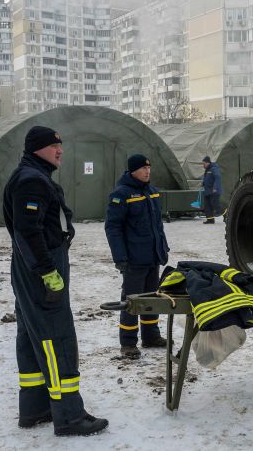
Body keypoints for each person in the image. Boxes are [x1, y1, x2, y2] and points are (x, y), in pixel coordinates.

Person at [3, 126, 108, 436]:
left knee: (31, 335)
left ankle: (36, 407)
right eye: (53, 146)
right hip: (41, 269)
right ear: (37, 148)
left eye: (61, 145)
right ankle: (69, 415)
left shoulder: (32, 175)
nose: (60, 150)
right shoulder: (31, 181)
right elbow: (28, 231)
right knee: (56, 338)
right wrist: (47, 272)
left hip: (32, 267)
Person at [104, 154, 171, 359]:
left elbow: (157, 226)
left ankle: (151, 336)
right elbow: (112, 228)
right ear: (132, 171)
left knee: (152, 298)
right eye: (143, 168)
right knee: (131, 301)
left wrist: (163, 248)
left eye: (149, 168)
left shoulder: (152, 192)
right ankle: (128, 343)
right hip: (134, 259)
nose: (147, 171)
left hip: (153, 256)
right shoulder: (121, 194)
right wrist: (120, 258)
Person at [201, 156, 222, 224]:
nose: (203, 165)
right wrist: (203, 183)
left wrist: (215, 188)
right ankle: (210, 220)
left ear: (207, 163)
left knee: (215, 204)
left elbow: (217, 178)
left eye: (204, 163)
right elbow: (207, 178)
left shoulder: (214, 168)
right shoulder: (207, 169)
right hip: (207, 191)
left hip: (213, 191)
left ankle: (226, 215)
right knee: (207, 206)